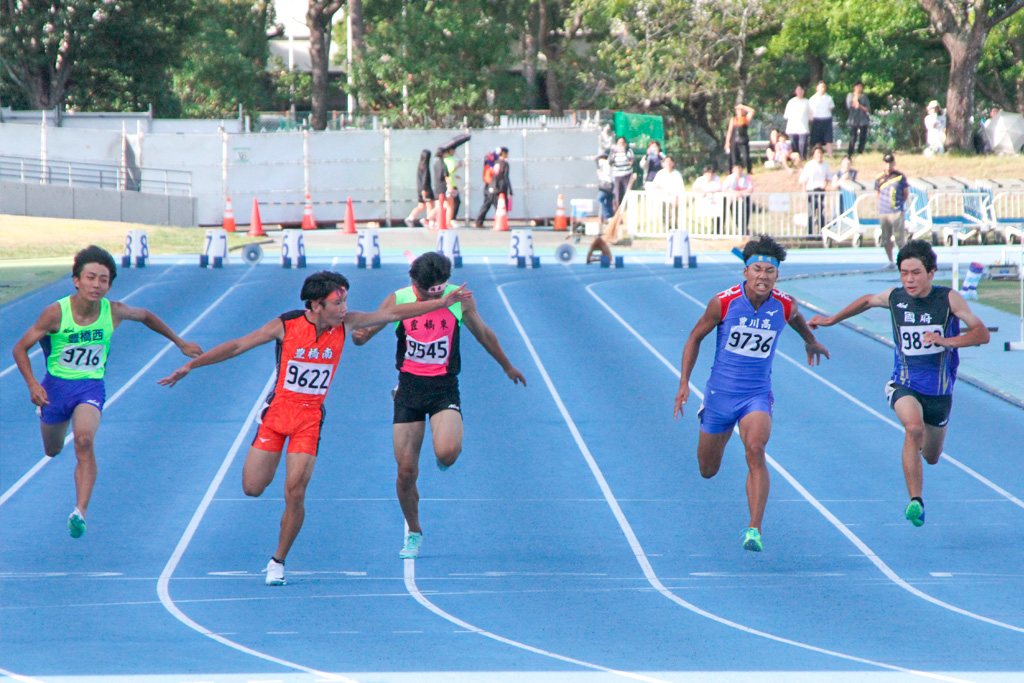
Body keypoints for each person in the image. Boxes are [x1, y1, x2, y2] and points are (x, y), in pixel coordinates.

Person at [158, 271, 471, 585]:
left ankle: (277, 562)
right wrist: (190, 365)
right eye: (338, 302)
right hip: (277, 415)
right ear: (316, 305)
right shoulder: (286, 325)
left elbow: (392, 313)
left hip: (309, 419)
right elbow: (238, 345)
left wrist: (441, 303)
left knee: (295, 492)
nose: (344, 307)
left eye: (345, 300)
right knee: (252, 488)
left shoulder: (346, 323)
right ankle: (276, 551)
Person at [12, 245, 203, 538]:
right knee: (52, 450)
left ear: (109, 285)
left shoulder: (113, 311)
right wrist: (33, 385)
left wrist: (179, 342)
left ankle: (80, 512)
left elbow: (146, 316)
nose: (96, 285)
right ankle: (46, 415)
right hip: (54, 389)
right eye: (90, 277)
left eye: (103, 279)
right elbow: (20, 348)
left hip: (90, 386)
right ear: (77, 280)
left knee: (85, 441)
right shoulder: (55, 313)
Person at [351, 252, 526, 559]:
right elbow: (365, 332)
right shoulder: (398, 299)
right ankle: (414, 531)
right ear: (413, 282)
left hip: (444, 389)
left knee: (447, 452)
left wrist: (507, 366)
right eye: (424, 291)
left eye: (437, 291)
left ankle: (444, 456)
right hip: (409, 390)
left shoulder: (460, 299)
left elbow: (484, 333)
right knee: (406, 472)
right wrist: (360, 335)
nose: (431, 296)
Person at [807, 240, 989, 528]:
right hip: (904, 384)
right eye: (904, 273)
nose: (909, 280)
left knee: (931, 457)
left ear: (931, 272)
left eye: (915, 273)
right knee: (912, 428)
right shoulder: (896, 298)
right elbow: (867, 300)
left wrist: (946, 341)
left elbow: (981, 334)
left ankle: (916, 452)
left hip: (940, 393)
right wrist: (831, 320)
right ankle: (915, 501)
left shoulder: (949, 300)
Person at [674, 236, 829, 552]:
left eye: (770, 271)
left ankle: (754, 529)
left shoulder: (784, 304)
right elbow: (694, 337)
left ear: (777, 275)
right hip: (719, 397)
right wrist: (683, 384)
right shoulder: (724, 302)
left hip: (755, 396)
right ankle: (716, 431)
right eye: (757, 269)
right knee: (707, 470)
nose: (763, 276)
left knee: (755, 448)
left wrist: (809, 340)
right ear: (745, 272)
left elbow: (795, 317)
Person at [875, 152, 910, 266]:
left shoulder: (899, 177)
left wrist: (899, 205)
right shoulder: (879, 178)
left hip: (896, 211)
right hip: (884, 212)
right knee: (886, 239)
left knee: (900, 238)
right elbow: (878, 194)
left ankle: (902, 261)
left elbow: (905, 193)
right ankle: (890, 261)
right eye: (886, 163)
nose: (888, 166)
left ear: (893, 163)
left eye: (890, 163)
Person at [474, 146, 512, 227]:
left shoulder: (493, 163)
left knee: (487, 204)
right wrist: (510, 189)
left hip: (490, 186)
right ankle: (501, 222)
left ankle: (478, 221)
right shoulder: (504, 164)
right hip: (500, 188)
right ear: (504, 153)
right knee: (500, 206)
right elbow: (505, 177)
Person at [797, 145, 831, 235]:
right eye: (817, 153)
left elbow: (828, 177)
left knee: (821, 213)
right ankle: (810, 234)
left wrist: (825, 185)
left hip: (820, 190)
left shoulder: (825, 165)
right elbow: (803, 179)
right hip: (811, 191)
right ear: (814, 155)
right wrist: (804, 192)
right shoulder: (810, 165)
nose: (819, 155)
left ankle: (822, 233)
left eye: (820, 153)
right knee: (811, 213)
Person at [405, 149, 435, 228]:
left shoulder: (420, 165)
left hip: (420, 188)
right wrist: (424, 189)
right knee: (430, 205)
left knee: (421, 205)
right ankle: (430, 221)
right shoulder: (425, 166)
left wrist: (421, 189)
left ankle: (411, 217)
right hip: (426, 188)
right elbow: (425, 178)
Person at [722, 164, 754, 234]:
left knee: (746, 215)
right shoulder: (729, 178)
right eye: (736, 168)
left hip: (745, 199)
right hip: (734, 200)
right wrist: (735, 193)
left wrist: (740, 193)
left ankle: (744, 230)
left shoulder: (747, 177)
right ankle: (741, 230)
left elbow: (750, 189)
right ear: (733, 170)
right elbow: (724, 189)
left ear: (742, 169)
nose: (738, 170)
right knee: (735, 215)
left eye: (739, 168)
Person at [692, 165, 724, 234]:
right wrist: (702, 191)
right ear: (704, 174)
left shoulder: (716, 178)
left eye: (711, 173)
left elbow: (719, 189)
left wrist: (706, 192)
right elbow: (694, 188)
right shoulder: (700, 179)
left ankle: (717, 232)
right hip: (704, 202)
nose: (710, 175)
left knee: (717, 216)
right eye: (708, 173)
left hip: (714, 201)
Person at [724, 103, 755, 174]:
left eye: (741, 110)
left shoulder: (745, 119)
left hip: (743, 140)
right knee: (733, 158)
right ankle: (734, 172)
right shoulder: (733, 119)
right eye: (738, 110)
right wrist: (727, 142)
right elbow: (729, 131)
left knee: (746, 157)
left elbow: (752, 111)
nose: (739, 111)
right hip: (734, 141)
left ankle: (749, 170)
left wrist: (743, 107)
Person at [784, 85, 811, 161]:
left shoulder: (806, 102)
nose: (799, 92)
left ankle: (803, 159)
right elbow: (786, 115)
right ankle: (795, 160)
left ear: (803, 91)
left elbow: (810, 115)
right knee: (793, 145)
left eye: (801, 90)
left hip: (803, 128)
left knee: (803, 144)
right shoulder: (791, 102)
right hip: (792, 128)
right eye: (798, 90)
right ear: (795, 92)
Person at [808, 81, 835, 157]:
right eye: (821, 87)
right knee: (816, 139)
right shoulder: (812, 99)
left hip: (827, 119)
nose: (822, 89)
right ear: (817, 88)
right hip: (816, 120)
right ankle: (815, 154)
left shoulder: (829, 98)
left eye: (824, 87)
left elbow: (830, 109)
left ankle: (830, 155)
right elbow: (811, 111)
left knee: (828, 139)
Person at [608, 136, 635, 212]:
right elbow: (610, 162)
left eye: (622, 143)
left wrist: (624, 152)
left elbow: (632, 161)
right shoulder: (614, 152)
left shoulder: (628, 151)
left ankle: (630, 211)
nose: (621, 144)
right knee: (618, 195)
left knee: (629, 194)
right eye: (619, 143)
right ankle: (619, 213)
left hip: (627, 175)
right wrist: (613, 151)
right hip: (617, 176)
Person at [845, 82, 871, 157]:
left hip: (863, 120)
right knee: (853, 137)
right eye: (857, 87)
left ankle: (860, 151)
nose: (859, 88)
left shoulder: (864, 97)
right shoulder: (850, 95)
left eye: (860, 87)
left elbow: (867, 109)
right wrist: (855, 98)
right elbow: (850, 105)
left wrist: (859, 106)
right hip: (853, 119)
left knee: (863, 136)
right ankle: (850, 153)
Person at [430, 147, 451, 227]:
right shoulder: (443, 165)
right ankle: (429, 217)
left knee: (438, 204)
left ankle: (437, 221)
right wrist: (450, 186)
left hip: (436, 185)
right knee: (443, 205)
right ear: (443, 154)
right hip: (442, 186)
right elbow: (446, 177)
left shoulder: (436, 164)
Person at [443, 148, 462, 227]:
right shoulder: (450, 159)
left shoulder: (444, 160)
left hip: (448, 183)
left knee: (447, 203)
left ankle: (444, 218)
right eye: (453, 150)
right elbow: (450, 171)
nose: (454, 152)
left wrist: (455, 176)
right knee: (455, 202)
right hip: (451, 184)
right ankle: (451, 219)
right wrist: (458, 166)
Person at [595, 153, 615, 221]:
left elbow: (598, 161)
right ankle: (611, 216)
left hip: (606, 185)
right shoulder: (610, 165)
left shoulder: (605, 164)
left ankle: (606, 215)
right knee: (609, 202)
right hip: (612, 185)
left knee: (600, 199)